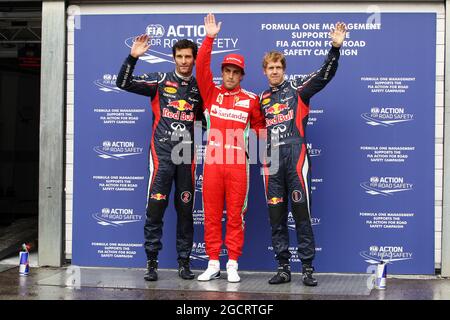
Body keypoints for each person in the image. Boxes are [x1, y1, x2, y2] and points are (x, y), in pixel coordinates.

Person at [260, 22, 347, 286]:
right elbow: (250, 128)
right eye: (270, 68)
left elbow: (323, 75)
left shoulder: (297, 88)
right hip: (271, 163)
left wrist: (335, 48)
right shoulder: (262, 98)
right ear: (265, 71)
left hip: (296, 160)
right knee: (276, 219)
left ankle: (307, 269)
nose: (275, 71)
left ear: (283, 70)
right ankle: (283, 268)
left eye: (278, 67)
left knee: (301, 217)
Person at [116, 35, 203, 281]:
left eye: (188, 57)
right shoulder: (160, 80)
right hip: (161, 156)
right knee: (155, 210)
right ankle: (151, 262)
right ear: (174, 58)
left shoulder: (200, 88)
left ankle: (184, 263)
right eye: (180, 56)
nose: (184, 61)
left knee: (186, 212)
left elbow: (212, 119)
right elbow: (123, 83)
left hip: (187, 157)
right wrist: (133, 58)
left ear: (194, 59)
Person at [195, 13, 266, 283]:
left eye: (236, 72)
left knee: (236, 215)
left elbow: (260, 128)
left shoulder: (251, 100)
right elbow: (202, 66)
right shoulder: (211, 93)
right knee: (211, 215)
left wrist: (262, 143)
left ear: (241, 75)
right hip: (213, 162)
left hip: (238, 165)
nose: (231, 75)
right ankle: (213, 262)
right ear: (222, 72)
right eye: (227, 71)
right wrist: (210, 38)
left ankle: (233, 262)